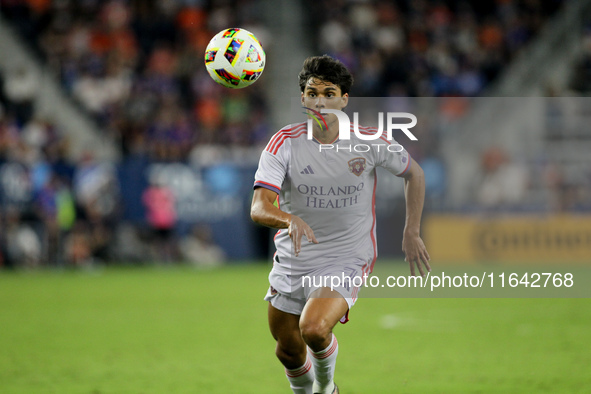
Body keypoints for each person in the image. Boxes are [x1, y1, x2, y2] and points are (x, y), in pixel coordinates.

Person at [250, 55, 431, 394]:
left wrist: (411, 231)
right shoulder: (284, 144)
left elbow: (414, 173)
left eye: (329, 93)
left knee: (315, 329)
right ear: (303, 98)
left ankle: (327, 387)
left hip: (347, 257)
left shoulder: (369, 140)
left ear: (344, 99)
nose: (320, 100)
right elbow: (260, 207)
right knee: (288, 350)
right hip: (294, 259)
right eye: (312, 92)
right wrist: (289, 218)